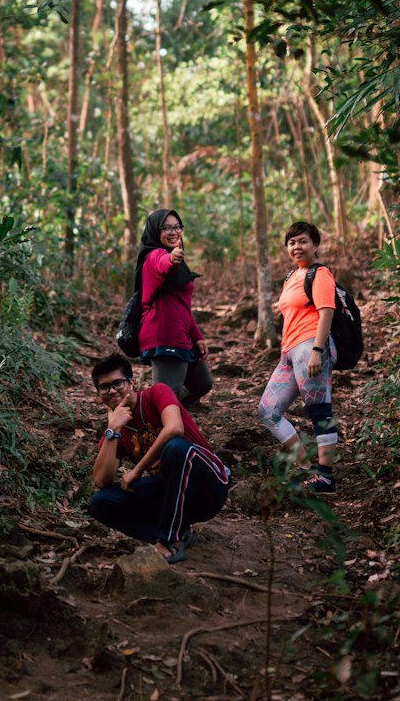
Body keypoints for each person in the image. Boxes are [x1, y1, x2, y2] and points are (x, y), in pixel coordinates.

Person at [87, 353, 230, 562]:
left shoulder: (156, 394)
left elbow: (174, 428)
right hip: (172, 496)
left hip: (209, 485)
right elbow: (101, 480)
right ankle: (163, 538)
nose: (112, 391)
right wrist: (112, 429)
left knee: (176, 448)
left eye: (118, 383)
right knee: (100, 503)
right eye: (105, 387)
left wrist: (137, 470)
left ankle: (169, 538)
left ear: (131, 382)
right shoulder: (117, 425)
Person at [257, 220, 338, 493]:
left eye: (303, 241)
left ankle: (325, 477)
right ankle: (305, 467)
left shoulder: (320, 273)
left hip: (309, 348)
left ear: (315, 245)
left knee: (319, 410)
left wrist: (317, 350)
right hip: (288, 352)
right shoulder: (291, 277)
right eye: (292, 243)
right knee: (268, 411)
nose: (297, 247)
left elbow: (326, 312)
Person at [134, 207, 212, 404]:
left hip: (182, 335)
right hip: (164, 336)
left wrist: (197, 336)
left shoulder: (179, 264)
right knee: (166, 399)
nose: (174, 232)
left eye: (177, 227)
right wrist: (171, 259)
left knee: (202, 383)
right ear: (155, 231)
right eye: (166, 228)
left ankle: (174, 415)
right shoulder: (153, 256)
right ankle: (158, 426)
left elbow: (182, 306)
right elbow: (162, 263)